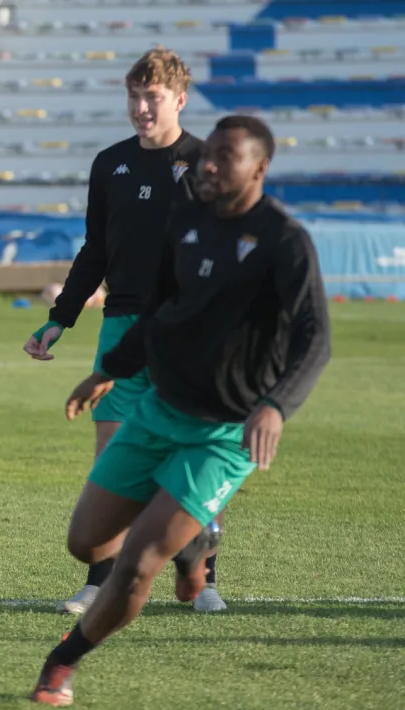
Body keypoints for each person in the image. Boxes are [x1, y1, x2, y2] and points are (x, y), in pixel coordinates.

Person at [31, 114, 332, 705]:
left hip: (222, 433)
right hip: (157, 409)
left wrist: (274, 405)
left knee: (138, 564)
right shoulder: (187, 221)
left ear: (260, 169)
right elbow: (156, 313)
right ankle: (195, 541)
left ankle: (63, 662)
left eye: (225, 158)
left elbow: (314, 338)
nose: (208, 166)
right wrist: (107, 371)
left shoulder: (284, 241)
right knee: (87, 544)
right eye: (207, 156)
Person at [23, 47, 228, 614]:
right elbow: (96, 251)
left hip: (186, 333)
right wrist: (59, 318)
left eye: (152, 98)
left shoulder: (207, 163)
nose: (141, 108)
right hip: (119, 330)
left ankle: (203, 578)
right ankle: (102, 580)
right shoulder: (109, 163)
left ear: (179, 99)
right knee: (112, 460)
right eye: (134, 97)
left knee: (193, 455)